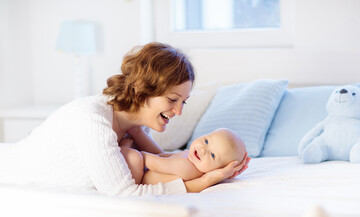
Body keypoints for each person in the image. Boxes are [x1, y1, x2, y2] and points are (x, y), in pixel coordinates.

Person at [0, 42, 249, 196]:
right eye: (172, 100)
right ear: (142, 88)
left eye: (183, 102)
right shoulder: (92, 120)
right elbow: (124, 193)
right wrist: (205, 181)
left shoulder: (137, 128)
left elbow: (163, 161)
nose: (179, 111)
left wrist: (220, 169)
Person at [121, 128, 250, 186]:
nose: (203, 150)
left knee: (136, 157)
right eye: (206, 141)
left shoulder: (187, 167)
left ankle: (122, 148)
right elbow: (163, 155)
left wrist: (136, 152)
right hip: (153, 168)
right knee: (158, 152)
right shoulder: (193, 159)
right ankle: (137, 132)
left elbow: (153, 162)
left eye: (212, 155)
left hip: (140, 178)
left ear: (216, 170)